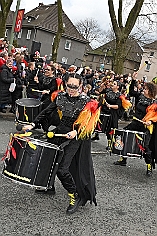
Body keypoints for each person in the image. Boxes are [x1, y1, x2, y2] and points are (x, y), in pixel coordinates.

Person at [23, 74, 99, 214]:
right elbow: (47, 112)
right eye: (69, 85)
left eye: (75, 87)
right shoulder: (60, 96)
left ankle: (74, 195)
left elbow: (88, 123)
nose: (71, 89)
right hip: (61, 130)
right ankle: (49, 186)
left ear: (81, 86)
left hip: (76, 135)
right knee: (48, 158)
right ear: (65, 83)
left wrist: (76, 132)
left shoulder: (87, 102)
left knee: (62, 168)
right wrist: (33, 124)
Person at [114, 73, 157, 176]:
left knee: (146, 146)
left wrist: (150, 121)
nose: (143, 90)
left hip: (144, 126)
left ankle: (149, 166)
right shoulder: (140, 97)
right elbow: (132, 92)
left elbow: (154, 115)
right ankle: (123, 159)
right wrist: (133, 80)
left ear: (150, 91)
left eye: (146, 89)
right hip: (135, 122)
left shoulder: (154, 103)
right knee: (123, 136)